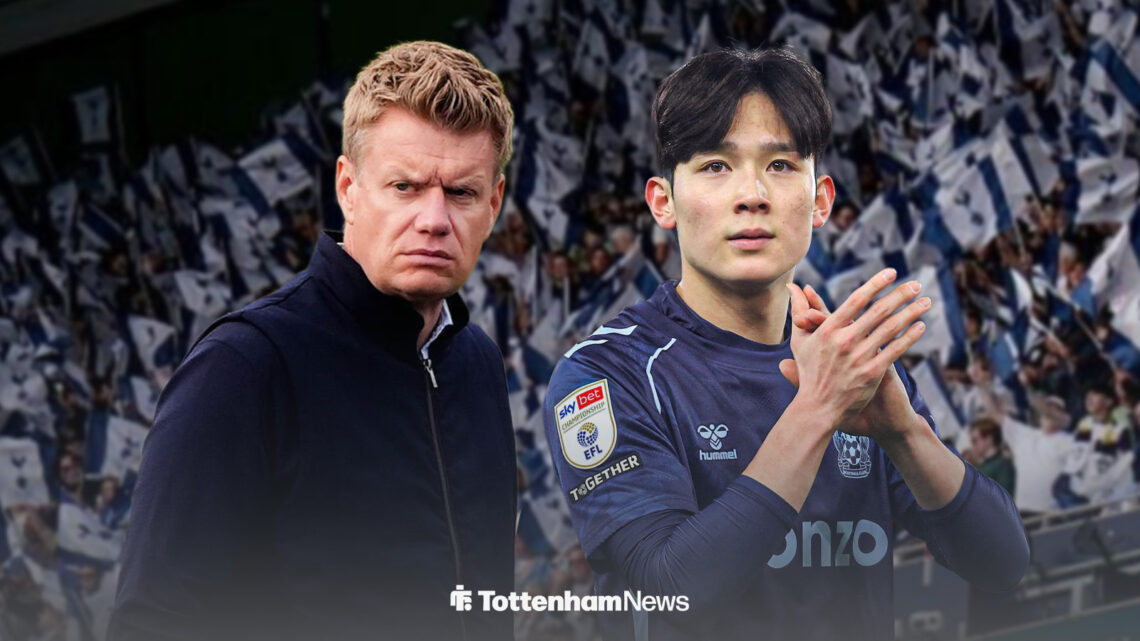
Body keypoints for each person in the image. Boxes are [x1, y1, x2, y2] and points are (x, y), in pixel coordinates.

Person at [542, 47, 1029, 641]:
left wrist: (905, 433)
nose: (753, 194)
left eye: (780, 165)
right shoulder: (607, 373)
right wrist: (819, 408)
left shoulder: (850, 358)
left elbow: (1003, 566)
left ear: (819, 200)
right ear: (663, 202)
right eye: (715, 166)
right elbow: (669, 591)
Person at [108, 41, 517, 641]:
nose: (434, 219)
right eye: (404, 187)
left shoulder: (477, 363)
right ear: (348, 188)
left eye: (460, 192)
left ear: (494, 204)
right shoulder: (244, 366)